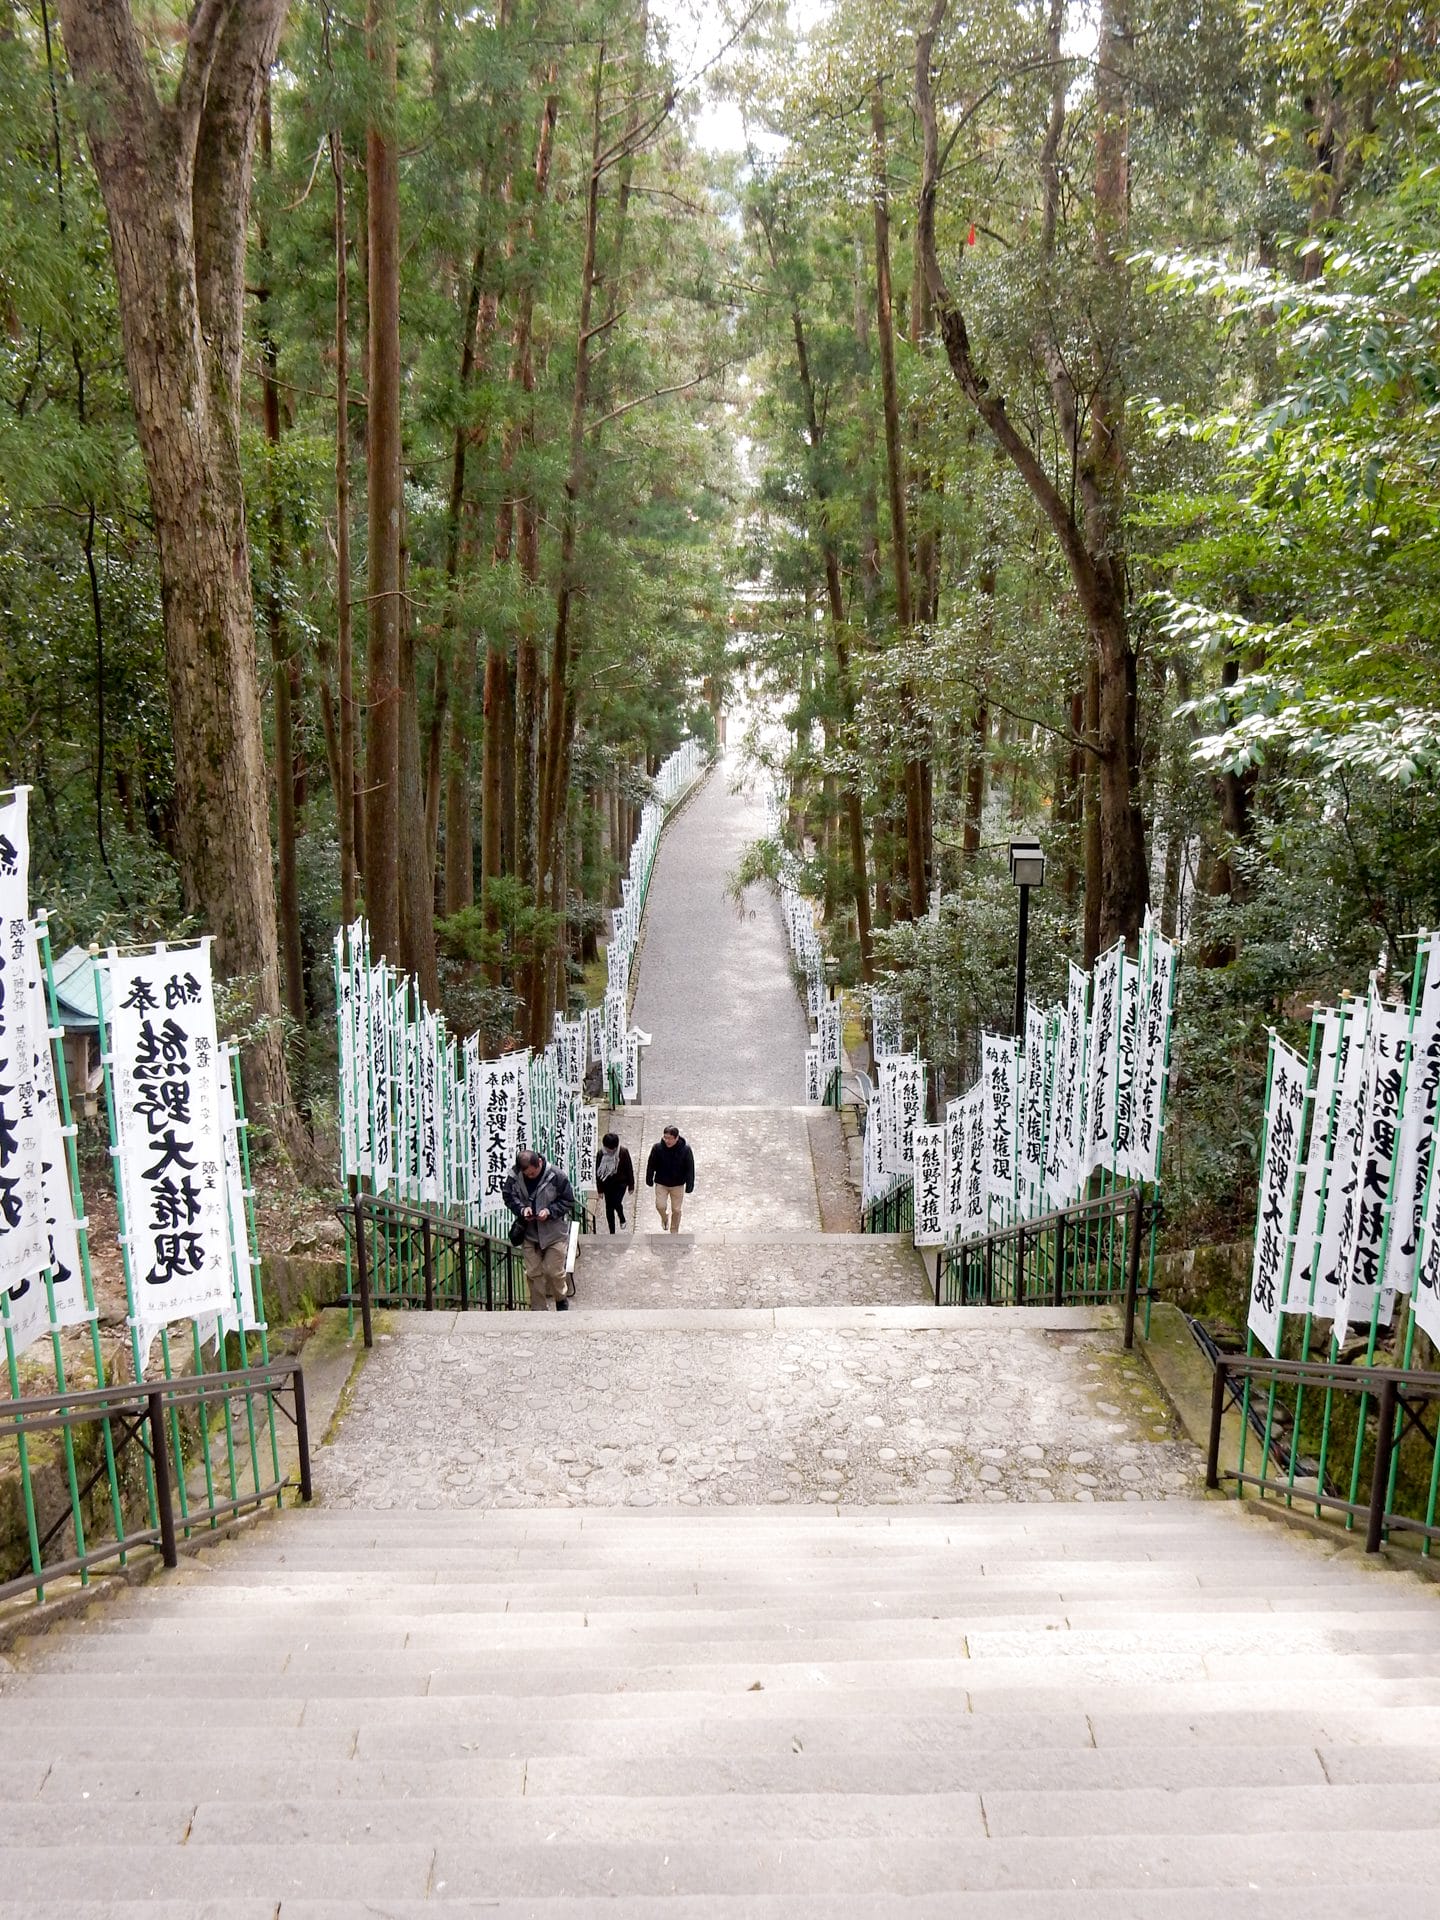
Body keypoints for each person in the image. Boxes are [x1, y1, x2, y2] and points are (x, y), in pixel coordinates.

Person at [502, 1149, 577, 1311]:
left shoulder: (556, 1176)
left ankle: (561, 1298)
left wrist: (550, 1211)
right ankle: (539, 1310)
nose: (530, 1176)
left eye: (533, 1173)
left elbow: (568, 1200)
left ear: (540, 1163)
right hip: (529, 1233)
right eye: (527, 1174)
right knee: (533, 1273)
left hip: (554, 1233)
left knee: (553, 1271)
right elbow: (508, 1196)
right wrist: (521, 1210)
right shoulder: (514, 1177)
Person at [644, 1123, 694, 1234]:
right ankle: (664, 1218)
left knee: (676, 1209)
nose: (667, 1141)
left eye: (670, 1138)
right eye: (665, 1138)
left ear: (676, 1138)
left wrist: (689, 1184)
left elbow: (690, 1167)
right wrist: (649, 1178)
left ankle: (674, 1230)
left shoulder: (685, 1149)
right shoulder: (657, 1148)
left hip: (678, 1184)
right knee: (660, 1205)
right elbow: (651, 1164)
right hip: (662, 1182)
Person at [595, 1131, 635, 1235]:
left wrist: (631, 1185)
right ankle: (612, 1232)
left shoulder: (623, 1152)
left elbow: (629, 1168)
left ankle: (621, 1217)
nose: (610, 1151)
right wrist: (600, 1190)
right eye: (608, 1148)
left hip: (621, 1183)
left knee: (616, 1202)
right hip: (607, 1183)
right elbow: (598, 1172)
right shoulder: (601, 1154)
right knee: (609, 1207)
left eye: (612, 1148)